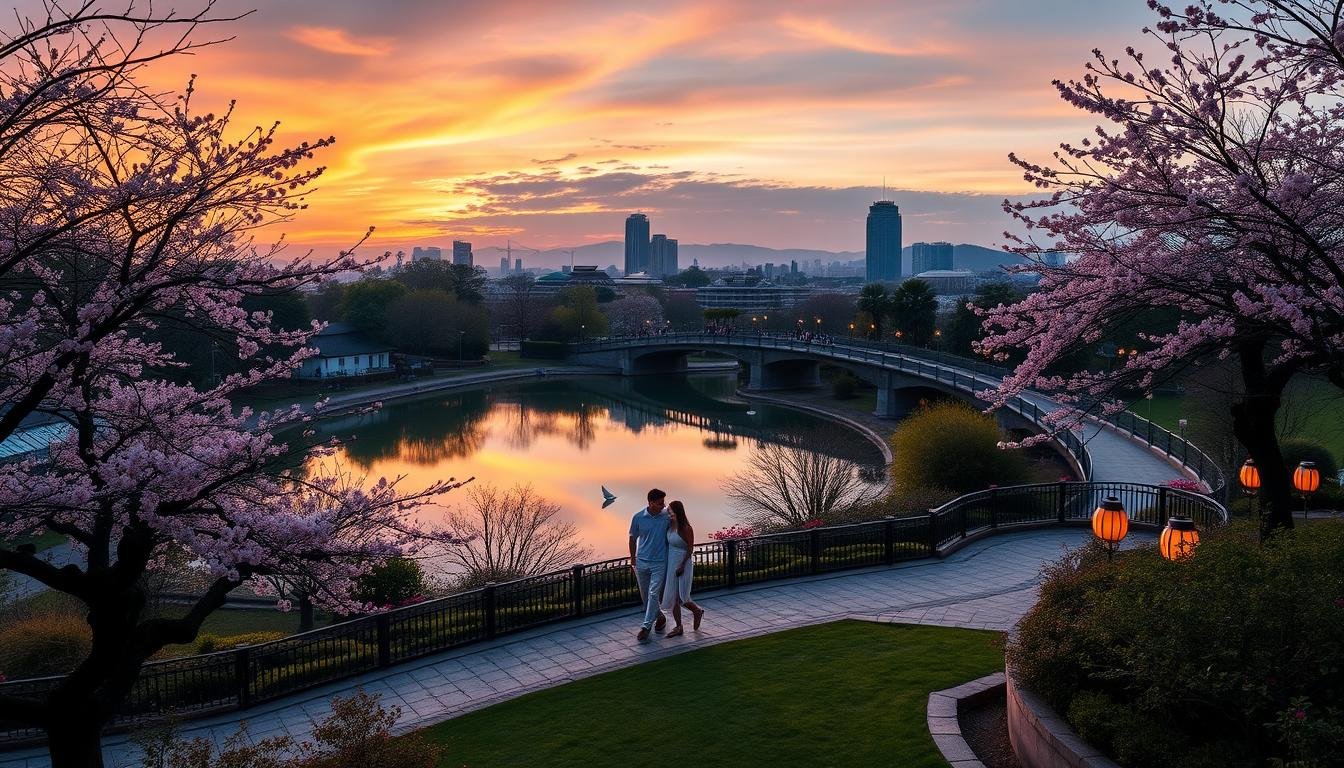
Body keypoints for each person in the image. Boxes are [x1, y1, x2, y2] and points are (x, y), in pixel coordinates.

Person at [628, 488, 670, 641]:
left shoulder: (667, 516)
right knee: (645, 597)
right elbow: (632, 539)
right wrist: (633, 558)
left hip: (660, 562)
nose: (663, 505)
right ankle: (660, 617)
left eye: (663, 502)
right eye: (659, 503)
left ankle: (646, 626)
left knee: (653, 593)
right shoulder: (638, 518)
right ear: (650, 502)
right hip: (641, 562)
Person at [660, 500, 706, 637]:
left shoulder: (686, 528)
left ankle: (697, 611)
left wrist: (681, 565)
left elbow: (690, 549)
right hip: (671, 563)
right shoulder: (670, 526)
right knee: (673, 598)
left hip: (683, 563)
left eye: (671, 511)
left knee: (682, 597)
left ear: (677, 511)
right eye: (668, 512)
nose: (669, 514)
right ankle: (678, 626)